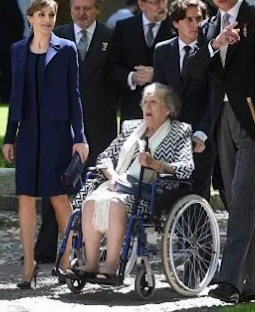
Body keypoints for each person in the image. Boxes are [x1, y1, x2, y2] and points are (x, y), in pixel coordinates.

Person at [189, 0, 255, 304]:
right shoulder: (210, 25)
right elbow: (194, 70)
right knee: (240, 202)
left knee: (244, 198)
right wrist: (215, 44)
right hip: (222, 121)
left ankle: (228, 281)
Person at [1, 0, 89, 289]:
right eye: (41, 15)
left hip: (57, 133)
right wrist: (8, 137)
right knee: (25, 197)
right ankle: (29, 263)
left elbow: (75, 95)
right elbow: (15, 96)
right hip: (27, 134)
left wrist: (80, 137)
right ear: (30, 18)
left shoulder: (66, 49)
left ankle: (71, 257)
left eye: (51, 15)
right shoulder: (17, 50)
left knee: (58, 197)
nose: (47, 21)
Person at [31, 0, 117, 264]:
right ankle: (45, 247)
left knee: (97, 188)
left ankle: (92, 247)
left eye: (87, 8)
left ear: (97, 9)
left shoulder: (110, 37)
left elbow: (117, 74)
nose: (82, 13)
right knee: (53, 186)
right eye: (77, 8)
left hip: (100, 124)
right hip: (61, 125)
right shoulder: (56, 35)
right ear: (70, 8)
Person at [72, 83, 194, 277]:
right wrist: (112, 176)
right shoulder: (131, 128)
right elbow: (104, 157)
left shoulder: (180, 132)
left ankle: (111, 265)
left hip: (151, 191)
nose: (147, 107)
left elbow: (187, 167)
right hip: (119, 182)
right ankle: (92, 263)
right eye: (144, 102)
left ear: (168, 109)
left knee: (115, 204)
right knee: (91, 202)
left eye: (153, 102)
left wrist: (156, 164)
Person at [153, 0, 212, 201]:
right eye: (189, 19)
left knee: (198, 196)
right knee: (170, 195)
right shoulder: (162, 51)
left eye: (200, 19)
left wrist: (203, 131)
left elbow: (213, 97)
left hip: (200, 136)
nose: (196, 24)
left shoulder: (210, 50)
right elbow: (160, 94)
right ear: (176, 22)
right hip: (171, 135)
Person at [108, 0, 173, 122]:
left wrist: (156, 75)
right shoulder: (124, 28)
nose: (162, 6)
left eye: (164, 0)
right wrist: (131, 77)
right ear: (141, 5)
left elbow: (183, 69)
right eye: (156, 2)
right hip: (133, 112)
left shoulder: (175, 27)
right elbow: (112, 67)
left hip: (167, 112)